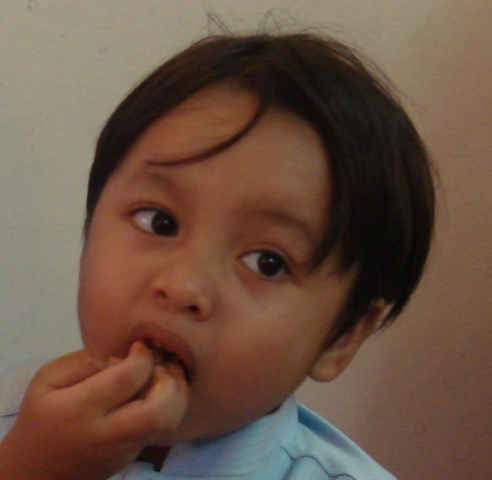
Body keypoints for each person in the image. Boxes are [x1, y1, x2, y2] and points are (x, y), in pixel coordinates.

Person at [0, 31, 434, 480]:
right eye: (158, 221)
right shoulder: (17, 419)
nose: (182, 286)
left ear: (340, 336)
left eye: (266, 263)